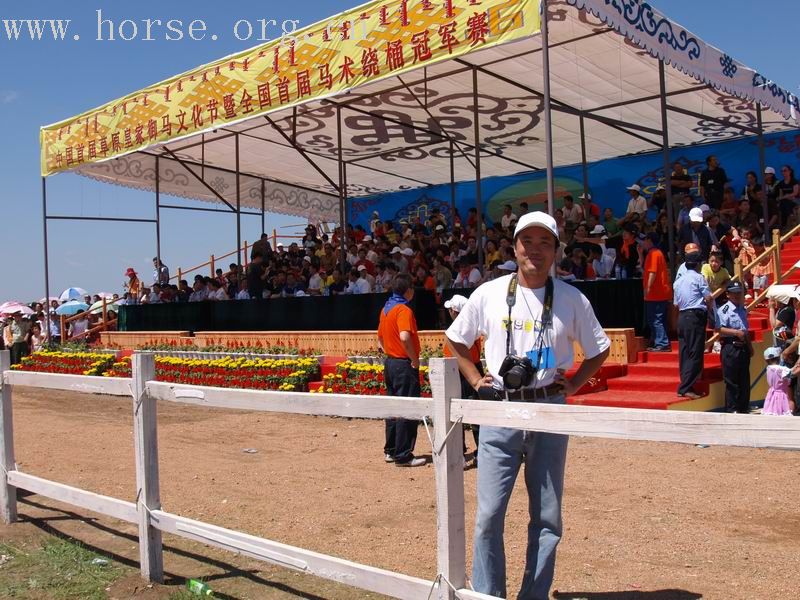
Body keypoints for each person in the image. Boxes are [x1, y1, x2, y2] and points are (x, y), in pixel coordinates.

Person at [445, 211, 610, 600]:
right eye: (528, 242)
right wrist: (473, 378)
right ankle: (488, 596)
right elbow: (455, 339)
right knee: (488, 516)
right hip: (500, 409)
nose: (535, 250)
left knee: (548, 518)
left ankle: (533, 596)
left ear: (555, 251)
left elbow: (599, 349)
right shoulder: (488, 292)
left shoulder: (571, 298)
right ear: (515, 247)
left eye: (545, 243)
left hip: (549, 410)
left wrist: (573, 382)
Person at [377, 273, 425, 467]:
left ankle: (391, 450)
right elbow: (405, 337)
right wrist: (414, 360)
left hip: (389, 363)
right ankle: (403, 455)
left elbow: (379, 339)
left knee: (393, 408)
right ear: (408, 290)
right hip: (403, 364)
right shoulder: (403, 310)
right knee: (407, 408)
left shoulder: (385, 308)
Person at [442, 294, 481, 468]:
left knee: (460, 413)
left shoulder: (459, 330)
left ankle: (461, 453)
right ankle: (478, 451)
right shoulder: (472, 328)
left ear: (454, 311)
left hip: (460, 372)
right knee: (472, 414)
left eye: (451, 309)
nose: (449, 312)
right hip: (471, 370)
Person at [673, 251, 716, 399]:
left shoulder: (678, 281)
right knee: (696, 352)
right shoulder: (699, 278)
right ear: (698, 264)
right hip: (695, 316)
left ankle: (686, 384)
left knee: (685, 352)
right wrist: (712, 315)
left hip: (682, 315)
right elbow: (708, 298)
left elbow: (675, 303)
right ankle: (686, 387)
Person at [716, 283, 751, 413]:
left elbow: (746, 330)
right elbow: (719, 329)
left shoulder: (742, 309)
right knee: (731, 381)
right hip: (731, 346)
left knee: (744, 380)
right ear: (728, 294)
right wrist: (736, 333)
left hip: (743, 347)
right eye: (734, 293)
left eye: (739, 292)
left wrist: (750, 347)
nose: (736, 295)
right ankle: (732, 409)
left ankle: (743, 408)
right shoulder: (724, 309)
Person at [641, 232, 672, 352]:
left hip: (656, 293)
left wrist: (647, 288)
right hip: (661, 292)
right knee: (659, 318)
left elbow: (652, 272)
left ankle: (662, 343)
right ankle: (659, 341)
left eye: (645, 240)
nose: (643, 242)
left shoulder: (653, 253)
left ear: (649, 240)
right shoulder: (656, 253)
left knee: (655, 319)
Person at [762, 346, 795, 416]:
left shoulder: (769, 368)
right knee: (780, 407)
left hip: (771, 392)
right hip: (781, 392)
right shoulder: (782, 369)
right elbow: (791, 373)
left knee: (772, 406)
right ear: (778, 358)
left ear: (766, 360)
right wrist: (796, 366)